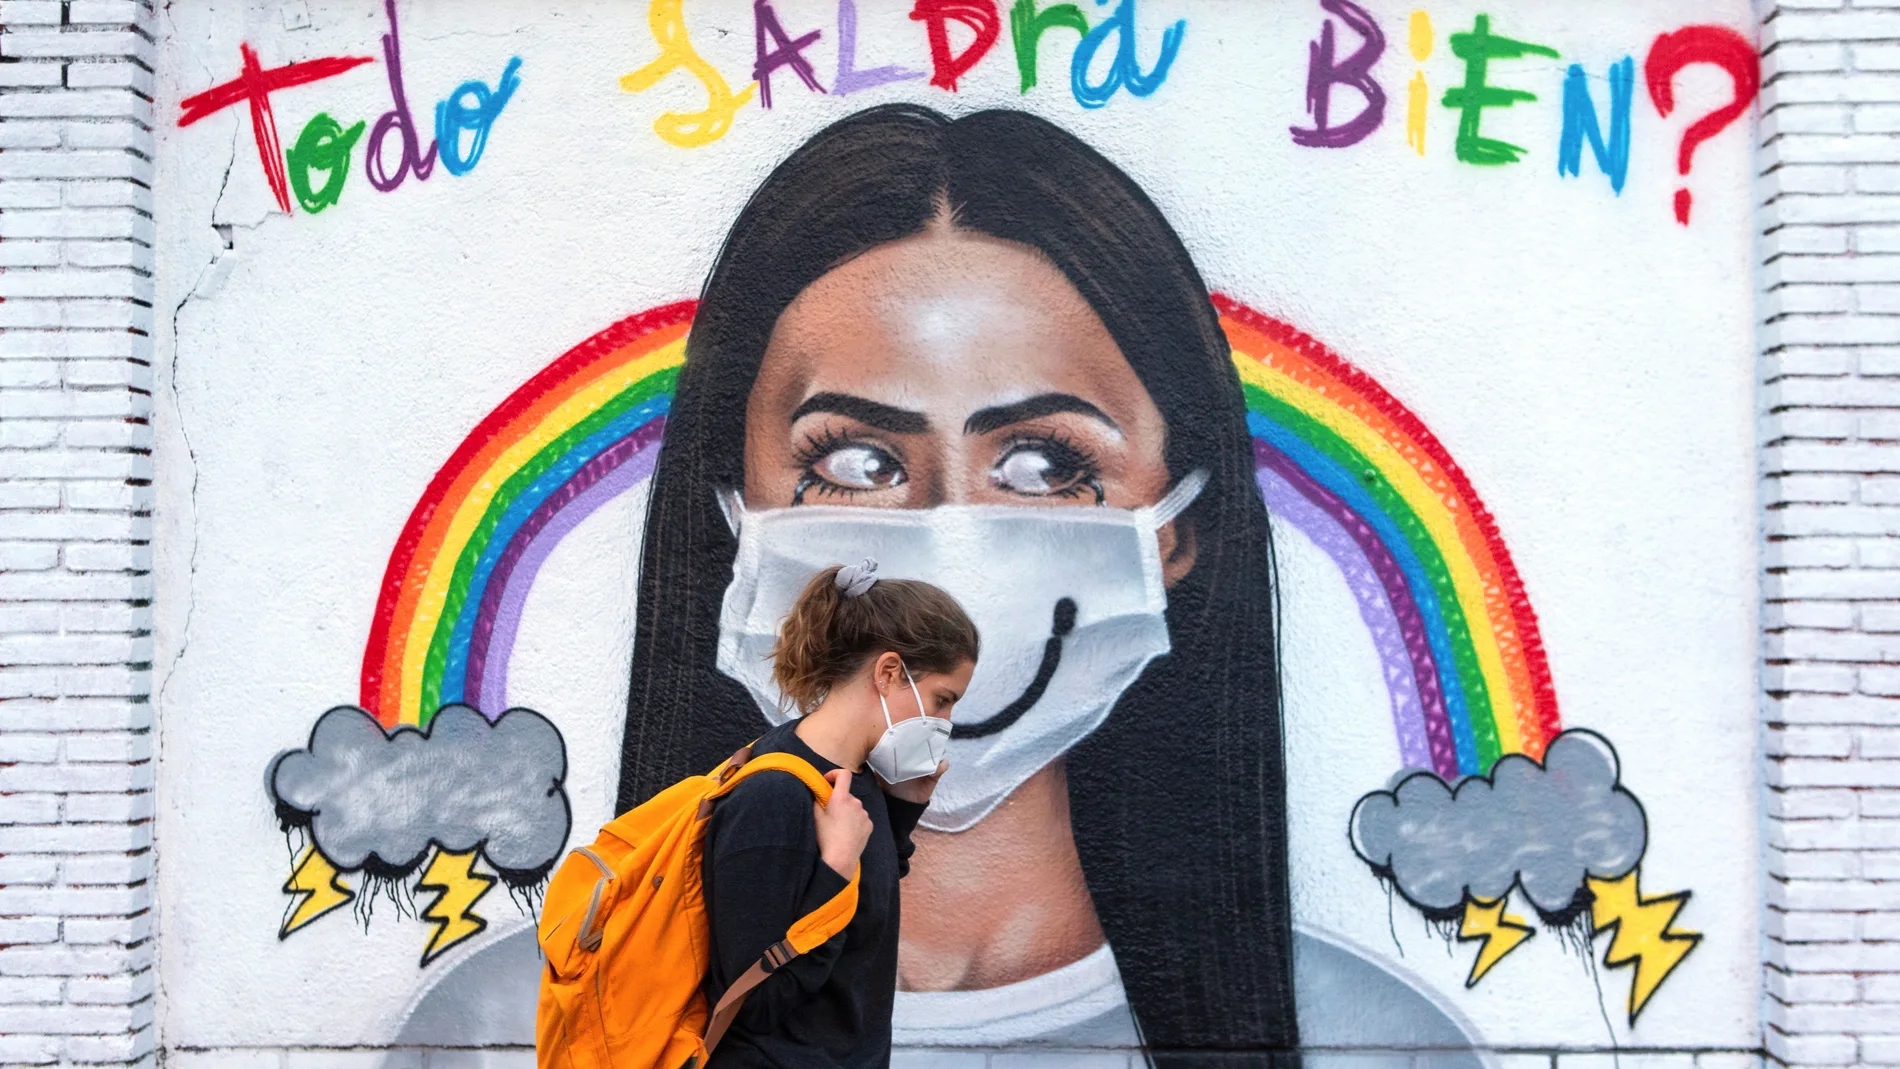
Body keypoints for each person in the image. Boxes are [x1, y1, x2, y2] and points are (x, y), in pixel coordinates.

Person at [622, 104, 1297, 1064]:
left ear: (1175, 530)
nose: (954, 561)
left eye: (1044, 465)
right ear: (733, 511)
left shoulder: (1393, 1037)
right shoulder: (529, 1017)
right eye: (854, 462)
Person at [701, 559, 978, 1069]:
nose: (946, 721)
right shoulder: (773, 796)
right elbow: (751, 1005)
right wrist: (837, 869)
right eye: (942, 699)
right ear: (890, 671)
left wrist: (902, 810)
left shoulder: (856, 781)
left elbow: (862, 922)